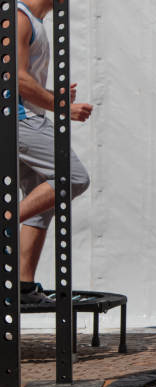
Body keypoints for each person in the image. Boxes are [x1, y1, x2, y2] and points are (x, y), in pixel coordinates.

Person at [17, 0, 93, 303]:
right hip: (21, 120)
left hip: (28, 117)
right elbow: (17, 78)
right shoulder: (18, 17)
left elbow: (27, 80)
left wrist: (53, 96)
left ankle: (22, 287)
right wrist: (63, 106)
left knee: (42, 200)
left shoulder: (34, 21)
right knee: (73, 178)